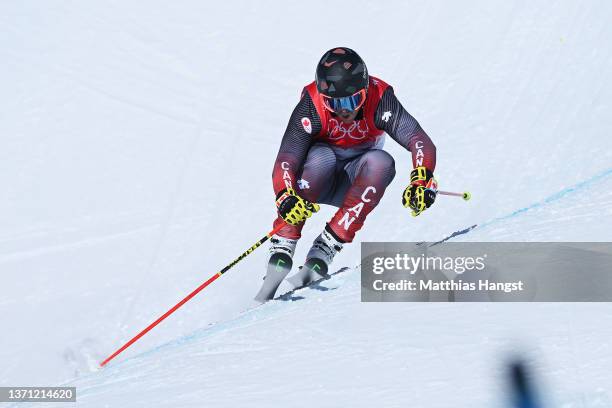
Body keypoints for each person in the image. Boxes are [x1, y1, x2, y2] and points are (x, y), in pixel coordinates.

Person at [254, 47, 437, 302]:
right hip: (319, 176)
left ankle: (326, 247)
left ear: (364, 89)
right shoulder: (312, 103)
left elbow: (419, 140)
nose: (343, 110)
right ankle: (284, 242)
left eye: (351, 100)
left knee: (381, 162)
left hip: (355, 182)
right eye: (333, 102)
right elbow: (287, 158)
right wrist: (286, 197)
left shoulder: (380, 98)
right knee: (321, 158)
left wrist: (421, 179)